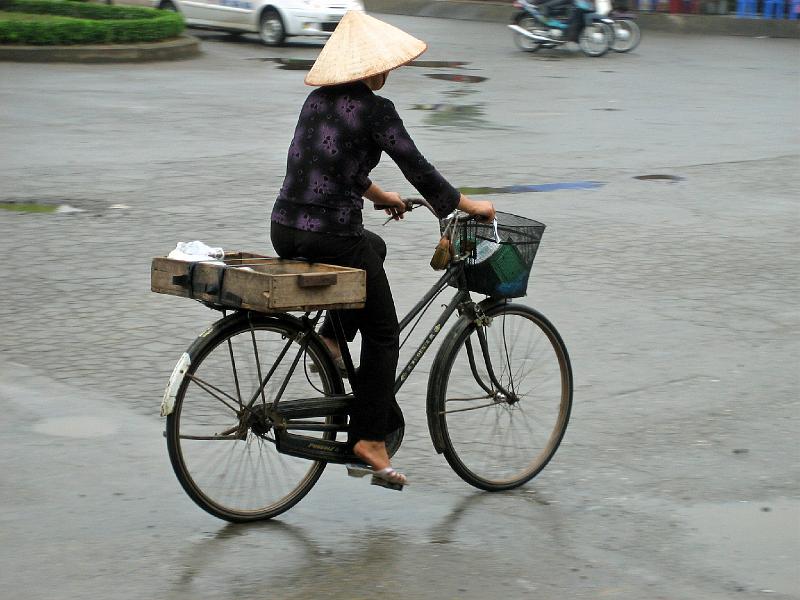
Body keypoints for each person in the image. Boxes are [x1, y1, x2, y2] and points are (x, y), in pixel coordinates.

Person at [269, 11, 495, 490]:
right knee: (384, 330)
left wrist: (380, 197)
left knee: (374, 245)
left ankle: (331, 339)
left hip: (284, 228)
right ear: (367, 67)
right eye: (382, 65)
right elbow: (419, 168)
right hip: (330, 233)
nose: (387, 72)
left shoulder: (316, 101)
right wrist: (466, 205)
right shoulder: (376, 110)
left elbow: (329, 164)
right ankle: (370, 438)